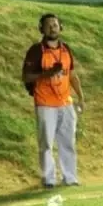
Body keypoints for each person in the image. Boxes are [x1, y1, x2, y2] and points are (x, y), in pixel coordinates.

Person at [22, 13, 85, 188]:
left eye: (55, 25)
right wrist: (46, 74)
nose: (52, 28)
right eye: (48, 25)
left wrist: (81, 97)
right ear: (41, 29)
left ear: (60, 27)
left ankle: (70, 178)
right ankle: (48, 179)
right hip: (45, 103)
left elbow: (72, 74)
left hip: (65, 102)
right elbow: (26, 77)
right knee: (46, 143)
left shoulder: (66, 49)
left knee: (68, 142)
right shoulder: (36, 51)